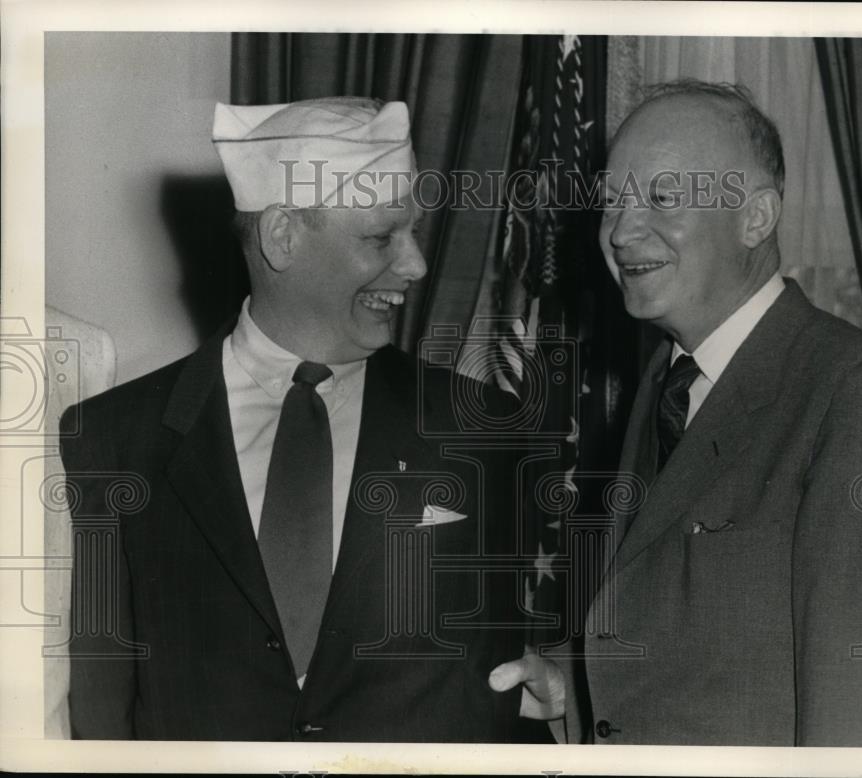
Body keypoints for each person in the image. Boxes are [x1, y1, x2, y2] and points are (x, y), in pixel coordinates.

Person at [490, 79, 862, 746]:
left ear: (755, 218)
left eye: (661, 198)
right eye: (611, 203)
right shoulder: (670, 379)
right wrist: (573, 685)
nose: (622, 233)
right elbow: (717, 645)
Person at [61, 97, 543, 742]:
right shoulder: (112, 438)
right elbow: (100, 711)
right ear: (282, 235)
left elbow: (518, 673)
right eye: (381, 237)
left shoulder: (484, 428)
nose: (415, 265)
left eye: (414, 232)